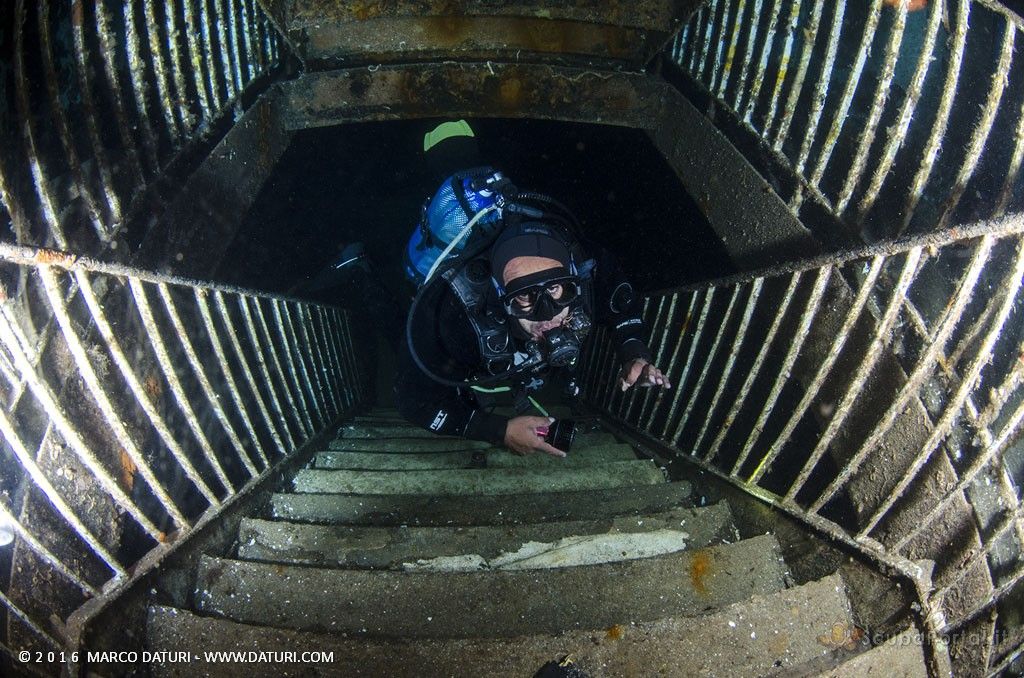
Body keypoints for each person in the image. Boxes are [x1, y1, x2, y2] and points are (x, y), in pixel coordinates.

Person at [394, 120, 671, 458]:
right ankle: (361, 271)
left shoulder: (593, 267)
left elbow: (623, 308)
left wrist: (634, 353)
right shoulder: (453, 311)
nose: (546, 315)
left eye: (555, 289)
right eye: (524, 295)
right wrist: (497, 430)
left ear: (575, 276)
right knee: (407, 338)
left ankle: (455, 148)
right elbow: (412, 399)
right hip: (456, 311)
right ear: (498, 295)